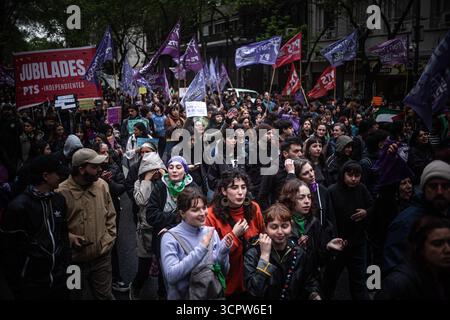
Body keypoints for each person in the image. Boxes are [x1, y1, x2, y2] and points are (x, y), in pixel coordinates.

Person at [2, 155, 70, 300]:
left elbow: (63, 238)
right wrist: (19, 287)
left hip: (59, 281)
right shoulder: (18, 208)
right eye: (58, 174)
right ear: (45, 176)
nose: (61, 177)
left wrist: (66, 272)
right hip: (32, 287)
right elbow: (10, 253)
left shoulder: (59, 200)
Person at [56, 148, 116, 300]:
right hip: (73, 263)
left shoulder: (102, 185)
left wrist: (107, 241)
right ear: (81, 169)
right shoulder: (60, 192)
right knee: (74, 296)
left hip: (101, 259)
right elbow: (54, 226)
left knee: (104, 296)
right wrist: (69, 237)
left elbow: (111, 215)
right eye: (94, 167)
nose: (99, 170)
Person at [160, 187, 233, 300]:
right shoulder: (170, 238)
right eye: (195, 210)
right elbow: (171, 276)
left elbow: (223, 272)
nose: (202, 213)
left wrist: (223, 253)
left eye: (204, 207)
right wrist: (201, 248)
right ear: (182, 213)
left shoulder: (211, 233)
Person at [206, 169, 265, 299]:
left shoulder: (254, 208)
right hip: (227, 283)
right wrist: (233, 235)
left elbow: (263, 238)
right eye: (234, 187)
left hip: (252, 280)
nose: (240, 192)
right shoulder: (211, 215)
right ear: (223, 191)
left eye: (243, 187)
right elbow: (211, 255)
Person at [244, 203, 322, 300]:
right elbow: (254, 291)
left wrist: (314, 295)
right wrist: (264, 256)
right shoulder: (253, 253)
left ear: (291, 225)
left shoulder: (298, 252)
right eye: (274, 227)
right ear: (265, 228)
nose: (280, 232)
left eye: (285, 226)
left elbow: (309, 281)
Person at [384, 160, 450, 272]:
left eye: (445, 186)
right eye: (433, 186)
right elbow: (393, 269)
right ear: (424, 189)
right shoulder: (405, 223)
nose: (439, 191)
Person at [323, 160, 373, 300]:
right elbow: (328, 218)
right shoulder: (332, 191)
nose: (353, 179)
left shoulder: (361, 189)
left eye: (357, 175)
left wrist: (366, 212)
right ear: (343, 174)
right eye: (350, 175)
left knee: (358, 282)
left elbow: (372, 206)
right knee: (330, 281)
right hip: (338, 244)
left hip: (358, 243)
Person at [376, 215, 450, 300]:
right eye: (437, 244)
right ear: (420, 247)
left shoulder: (443, 274)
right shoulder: (398, 283)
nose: (447, 250)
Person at [130, 152, 166, 300]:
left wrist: (165, 176)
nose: (155, 173)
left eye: (158, 170)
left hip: (162, 230)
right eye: (152, 170)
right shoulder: (139, 183)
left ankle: (161, 294)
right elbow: (141, 201)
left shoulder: (164, 183)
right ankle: (135, 288)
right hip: (145, 231)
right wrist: (146, 180)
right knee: (144, 268)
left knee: (164, 268)